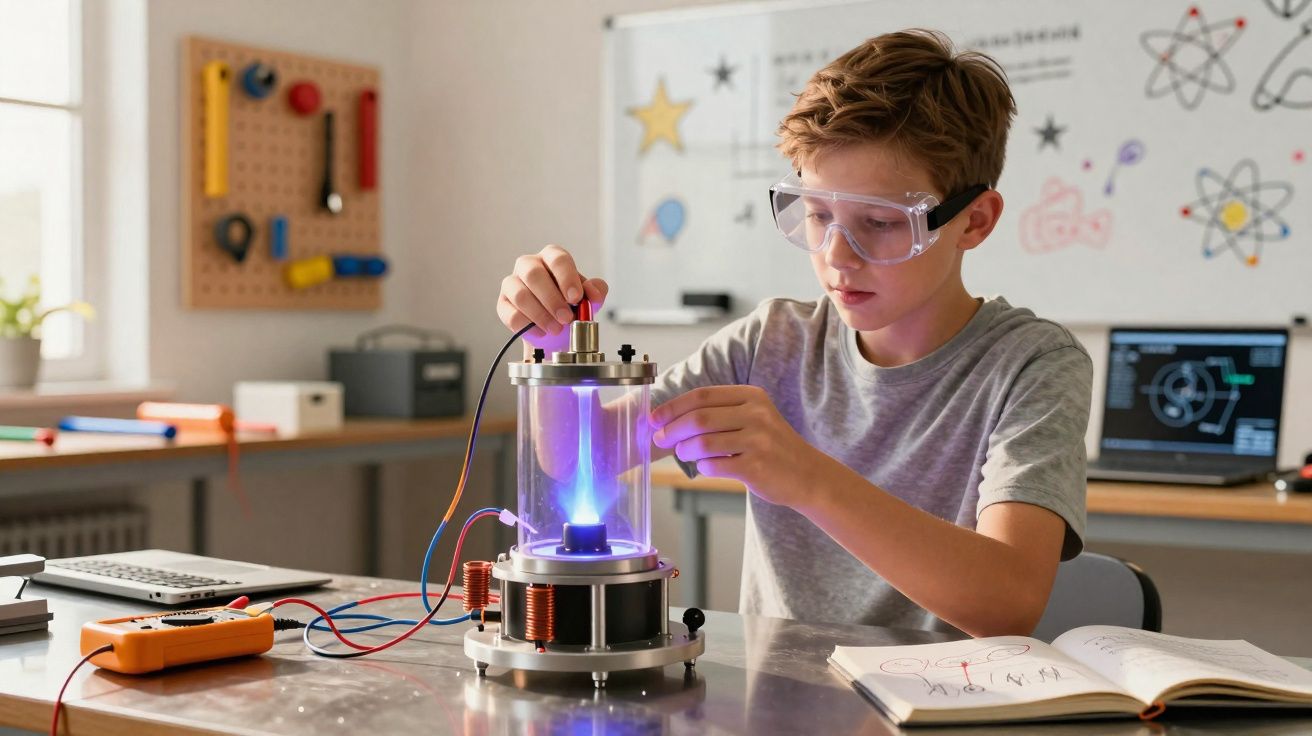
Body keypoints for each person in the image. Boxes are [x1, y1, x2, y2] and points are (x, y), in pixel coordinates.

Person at [495, 29, 1092, 637]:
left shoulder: (1032, 364)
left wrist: (808, 479)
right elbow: (577, 460)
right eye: (816, 214)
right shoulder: (772, 342)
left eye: (882, 223)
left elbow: (1009, 602)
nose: (837, 254)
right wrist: (546, 341)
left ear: (974, 221)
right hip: (780, 705)